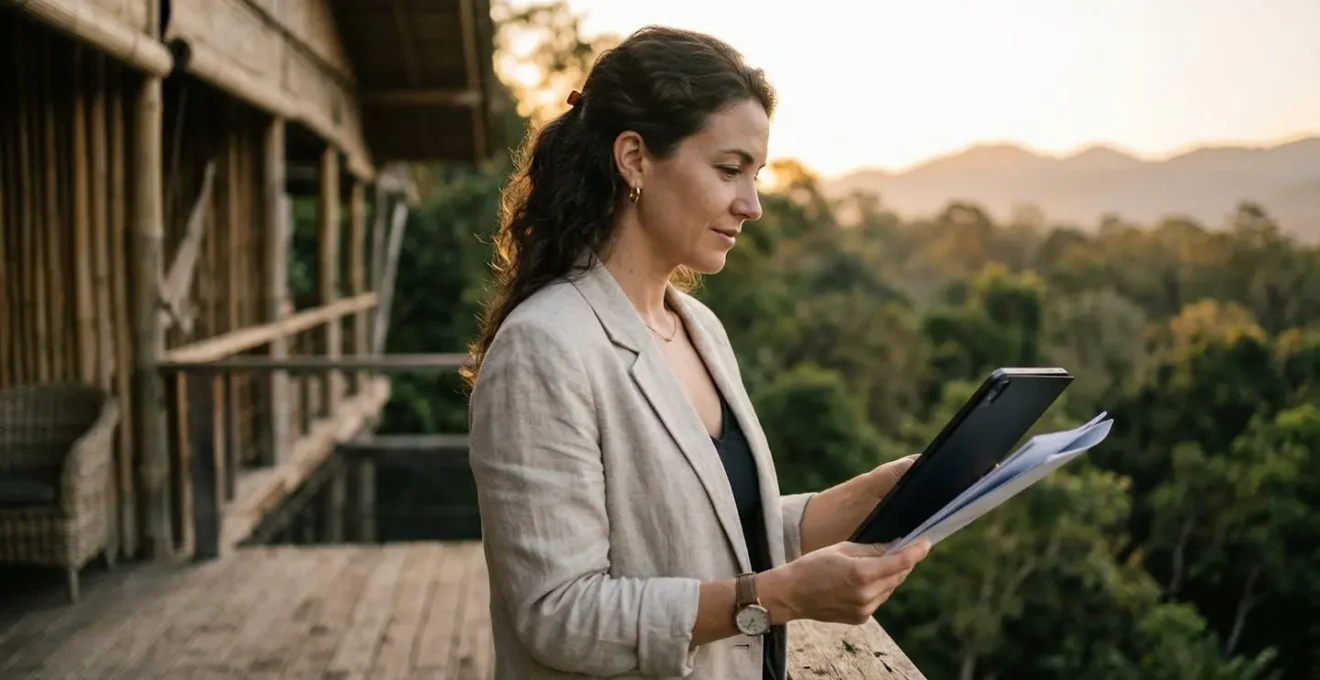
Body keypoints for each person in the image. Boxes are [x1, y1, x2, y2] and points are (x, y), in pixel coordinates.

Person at [464, 25, 931, 680]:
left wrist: (878, 494)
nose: (753, 204)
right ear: (634, 159)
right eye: (729, 169)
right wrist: (778, 596)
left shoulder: (699, 327)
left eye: (756, 174)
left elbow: (721, 533)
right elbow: (557, 614)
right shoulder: (545, 347)